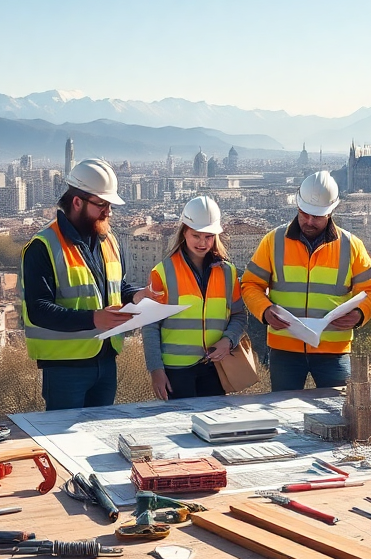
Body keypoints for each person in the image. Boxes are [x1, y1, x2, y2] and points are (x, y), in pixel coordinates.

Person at [22, 157, 150, 410]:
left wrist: (137, 296)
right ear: (77, 202)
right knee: (63, 440)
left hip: (106, 359)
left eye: (110, 205)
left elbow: (116, 288)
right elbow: (38, 309)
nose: (108, 212)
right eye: (102, 204)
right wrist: (92, 319)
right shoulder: (43, 245)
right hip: (65, 365)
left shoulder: (108, 239)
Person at [241, 170, 371, 390]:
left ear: (331, 212)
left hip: (333, 351)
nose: (309, 221)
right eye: (304, 213)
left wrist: (359, 314)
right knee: (284, 412)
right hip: (285, 349)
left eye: (316, 216)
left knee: (337, 414)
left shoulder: (351, 245)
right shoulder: (273, 241)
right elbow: (250, 285)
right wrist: (265, 311)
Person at [143, 196, 247, 400]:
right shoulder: (162, 272)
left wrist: (228, 340)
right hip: (175, 371)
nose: (202, 243)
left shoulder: (229, 273)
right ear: (184, 233)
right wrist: (156, 370)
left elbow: (239, 315)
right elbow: (149, 326)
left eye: (208, 236)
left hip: (216, 368)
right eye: (196, 236)